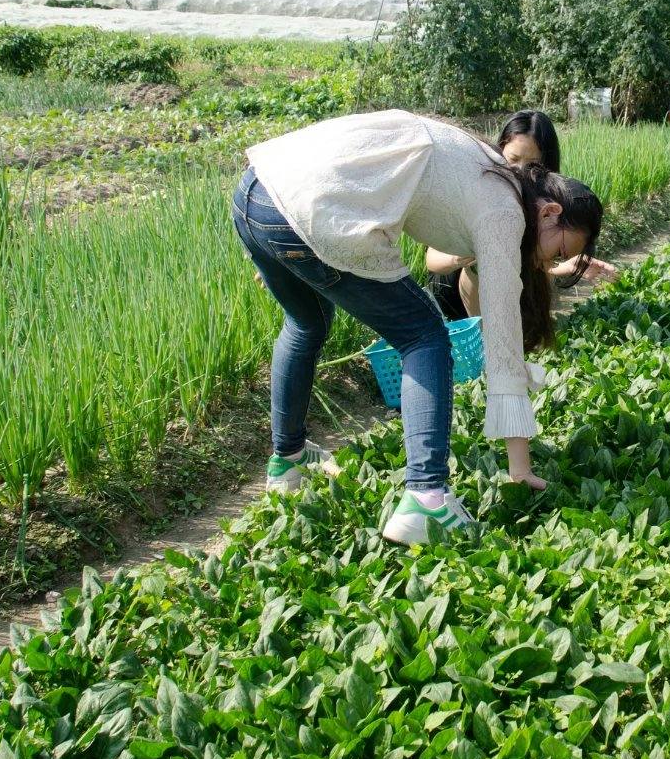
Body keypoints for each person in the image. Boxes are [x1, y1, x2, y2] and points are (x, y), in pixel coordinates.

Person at [233, 109, 603, 545]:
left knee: (306, 323)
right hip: (309, 210)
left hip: (258, 190)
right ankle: (427, 499)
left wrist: (276, 225)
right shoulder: (506, 212)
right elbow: (504, 347)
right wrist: (519, 467)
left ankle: (288, 460)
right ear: (550, 212)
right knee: (424, 336)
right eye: (559, 249)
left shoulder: (489, 167)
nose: (550, 263)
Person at [429, 109, 617, 321]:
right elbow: (433, 260)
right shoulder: (479, 189)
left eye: (532, 164)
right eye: (513, 159)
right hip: (455, 296)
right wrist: (476, 252)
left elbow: (531, 263)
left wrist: (561, 267)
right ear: (499, 151)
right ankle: (487, 340)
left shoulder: (544, 204)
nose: (519, 172)